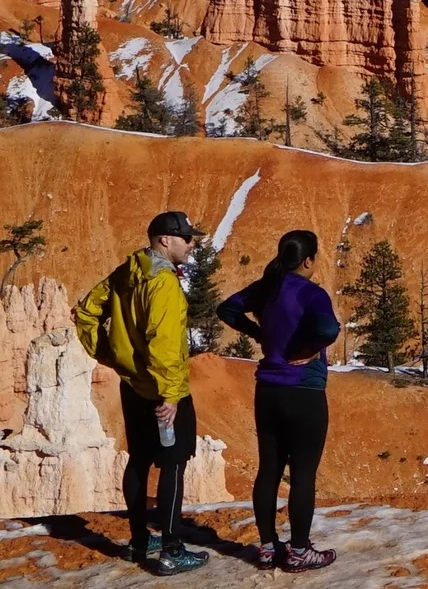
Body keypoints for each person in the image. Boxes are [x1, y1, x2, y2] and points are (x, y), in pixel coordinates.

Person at [73, 210, 206, 576]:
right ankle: (172, 549)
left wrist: (111, 355)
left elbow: (86, 312)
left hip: (133, 385)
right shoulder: (162, 283)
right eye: (187, 238)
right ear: (165, 239)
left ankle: (136, 542)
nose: (192, 244)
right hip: (161, 390)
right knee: (174, 465)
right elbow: (163, 344)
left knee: (139, 461)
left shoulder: (128, 270)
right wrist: (170, 395)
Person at [218, 230, 339, 572]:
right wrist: (308, 349)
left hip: (267, 390)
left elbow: (226, 309)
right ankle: (300, 550)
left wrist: (259, 334)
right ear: (308, 261)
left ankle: (269, 547)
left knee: (268, 469)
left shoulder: (266, 288)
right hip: (304, 392)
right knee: (303, 475)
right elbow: (329, 330)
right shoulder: (312, 294)